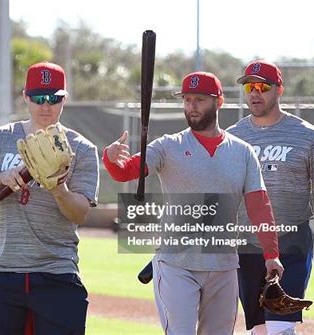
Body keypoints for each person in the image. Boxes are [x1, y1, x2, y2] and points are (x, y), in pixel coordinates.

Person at [103, 71, 284, 335]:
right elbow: (124, 171)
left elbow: (259, 207)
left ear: (218, 101)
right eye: (187, 100)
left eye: (199, 99)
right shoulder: (167, 146)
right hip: (176, 264)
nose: (191, 106)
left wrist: (271, 255)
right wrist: (111, 158)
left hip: (223, 266)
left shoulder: (242, 152)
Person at [0, 61, 99, 335]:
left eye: (53, 98)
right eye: (38, 98)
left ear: (65, 99)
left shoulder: (82, 148)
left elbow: (80, 213)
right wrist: (1, 177)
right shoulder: (0, 138)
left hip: (57, 272)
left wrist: (58, 189)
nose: (45, 105)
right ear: (25, 96)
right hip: (2, 271)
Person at [227, 60, 314, 335]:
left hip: (291, 241)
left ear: (279, 90)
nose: (255, 93)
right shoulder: (232, 138)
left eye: (263, 86)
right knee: (260, 330)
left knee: (280, 328)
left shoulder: (308, 136)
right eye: (250, 87)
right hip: (249, 244)